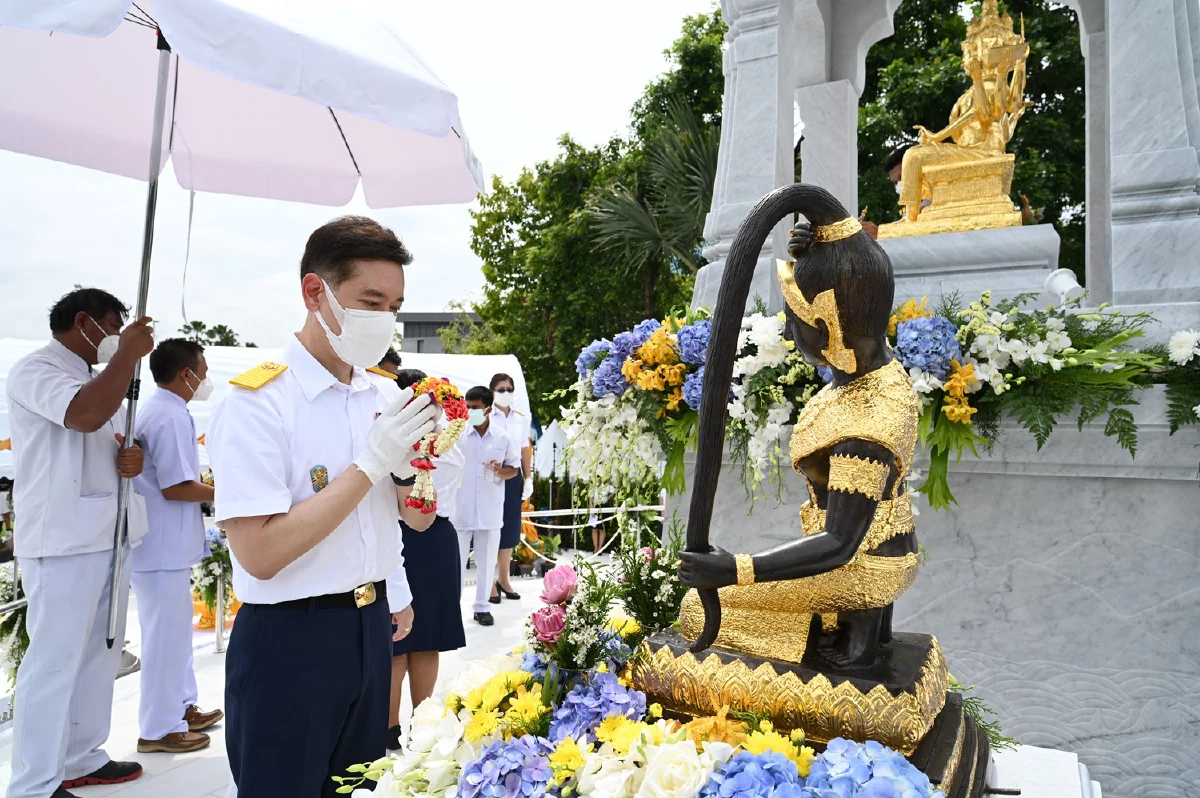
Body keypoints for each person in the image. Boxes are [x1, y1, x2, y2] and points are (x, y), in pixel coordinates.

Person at [207, 216, 438, 798]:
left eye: (396, 304)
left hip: (370, 630)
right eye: (371, 301)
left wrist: (419, 470)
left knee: (359, 789)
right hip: (291, 639)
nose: (386, 319)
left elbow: (417, 518)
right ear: (316, 293)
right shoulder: (259, 402)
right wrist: (369, 465)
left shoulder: (383, 394)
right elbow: (259, 552)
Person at [5, 287, 154, 798]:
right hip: (63, 538)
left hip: (108, 532)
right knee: (53, 662)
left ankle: (79, 757)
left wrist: (129, 459)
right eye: (114, 326)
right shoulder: (36, 370)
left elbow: (110, 440)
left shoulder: (99, 379)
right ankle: (32, 784)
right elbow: (83, 416)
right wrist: (129, 355)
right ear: (85, 321)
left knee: (100, 654)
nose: (118, 337)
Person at [130, 339, 223, 755]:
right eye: (202, 369)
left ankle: (181, 705)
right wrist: (226, 491)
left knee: (175, 635)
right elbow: (176, 487)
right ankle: (158, 727)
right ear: (186, 372)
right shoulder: (166, 414)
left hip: (168, 546)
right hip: (160, 546)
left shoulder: (171, 410)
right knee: (165, 639)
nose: (205, 378)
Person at [385, 368, 467, 752]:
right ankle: (392, 725)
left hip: (429, 537)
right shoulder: (393, 441)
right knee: (396, 638)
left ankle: (420, 722)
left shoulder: (445, 444)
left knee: (424, 636)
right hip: (400, 537)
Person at [453, 386, 520, 626]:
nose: (471, 412)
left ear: (489, 408)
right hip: (460, 510)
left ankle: (482, 607)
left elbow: (515, 467)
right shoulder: (457, 436)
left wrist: (499, 471)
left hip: (490, 510)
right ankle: (452, 610)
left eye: (476, 408)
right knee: (456, 565)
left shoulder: (502, 438)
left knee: (486, 561)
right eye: (468, 407)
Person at [487, 373, 532, 604]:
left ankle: (503, 579)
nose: (505, 393)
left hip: (514, 476)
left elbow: (524, 449)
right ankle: (488, 584)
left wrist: (530, 478)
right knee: (491, 529)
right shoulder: (485, 416)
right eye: (501, 389)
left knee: (510, 530)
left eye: (509, 389)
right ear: (492, 392)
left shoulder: (519, 419)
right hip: (491, 476)